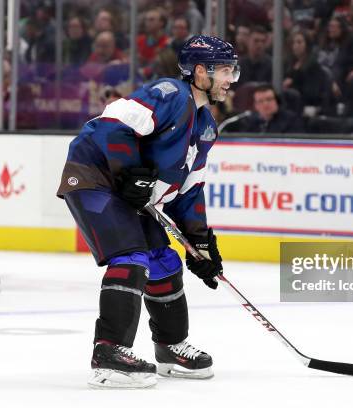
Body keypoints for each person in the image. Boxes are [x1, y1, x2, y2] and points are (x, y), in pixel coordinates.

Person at [56, 35, 239, 388]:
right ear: (201, 71)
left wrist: (200, 245)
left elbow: (189, 191)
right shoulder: (169, 93)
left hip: (132, 192)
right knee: (131, 255)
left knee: (163, 260)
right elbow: (113, 123)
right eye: (226, 70)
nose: (232, 79)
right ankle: (109, 353)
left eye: (233, 70)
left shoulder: (206, 127)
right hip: (95, 176)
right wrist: (130, 172)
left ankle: (170, 347)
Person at [235, 84, 304, 133]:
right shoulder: (250, 122)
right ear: (255, 106)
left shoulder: (291, 120)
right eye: (260, 101)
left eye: (269, 99)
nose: (265, 104)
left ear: (277, 101)